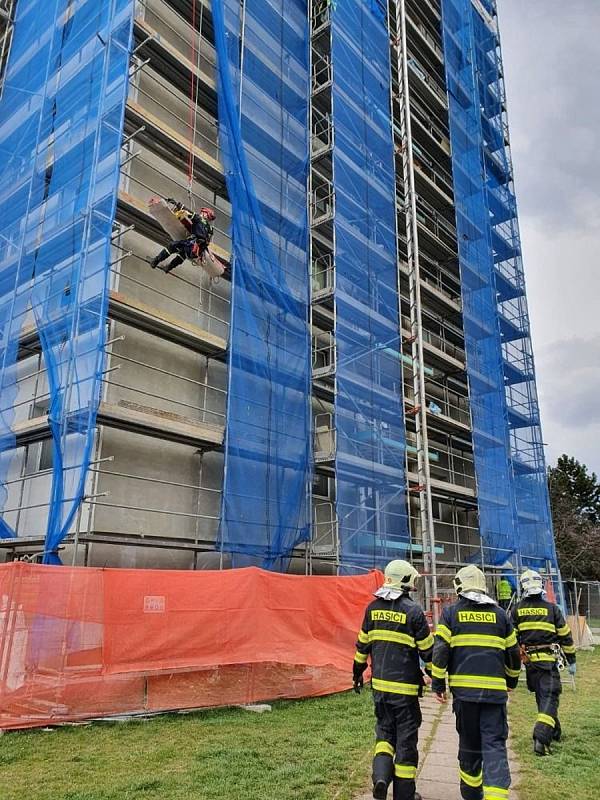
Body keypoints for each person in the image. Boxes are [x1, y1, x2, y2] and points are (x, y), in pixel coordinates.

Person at [431, 565, 521, 800]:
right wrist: (511, 680)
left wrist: (438, 684)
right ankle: (496, 795)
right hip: (494, 696)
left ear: (459, 585)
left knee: (469, 744)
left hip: (465, 696)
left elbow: (440, 652)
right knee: (494, 745)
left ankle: (471, 793)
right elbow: (513, 654)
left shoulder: (451, 614)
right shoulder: (501, 615)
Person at [353, 559, 434, 800]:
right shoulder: (413, 611)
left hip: (380, 688)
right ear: (406, 581)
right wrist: (437, 677)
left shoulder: (372, 608)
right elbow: (428, 652)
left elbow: (362, 646)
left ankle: (380, 779)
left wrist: (357, 673)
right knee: (406, 741)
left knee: (384, 734)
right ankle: (405, 795)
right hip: (406, 691)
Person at [512, 569, 576, 756]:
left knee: (543, 697)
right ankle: (541, 739)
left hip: (530, 665)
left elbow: (512, 641)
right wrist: (571, 660)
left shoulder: (516, 609)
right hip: (548, 663)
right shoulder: (552, 609)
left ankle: (555, 731)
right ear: (541, 586)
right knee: (549, 697)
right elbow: (565, 636)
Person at [151, 200, 215, 273]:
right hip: (197, 251)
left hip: (191, 244)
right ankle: (168, 268)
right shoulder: (210, 229)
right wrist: (208, 254)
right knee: (182, 255)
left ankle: (155, 261)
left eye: (202, 212)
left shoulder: (198, 218)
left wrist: (177, 204)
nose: (200, 213)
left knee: (171, 246)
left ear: (205, 214)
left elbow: (187, 211)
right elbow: (206, 242)